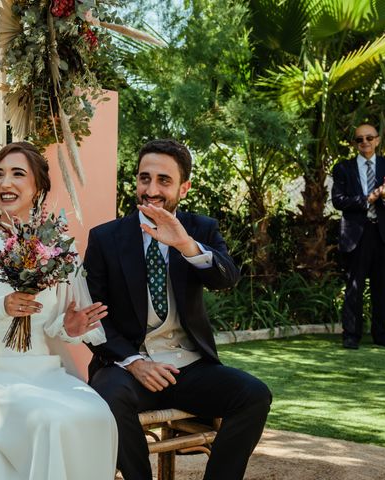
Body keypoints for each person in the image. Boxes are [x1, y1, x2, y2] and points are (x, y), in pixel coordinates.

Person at [84, 139, 272, 480]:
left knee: (254, 395)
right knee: (108, 396)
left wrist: (184, 244)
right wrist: (135, 362)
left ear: (183, 187)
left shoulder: (201, 229)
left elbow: (226, 278)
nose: (150, 190)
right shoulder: (105, 238)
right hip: (128, 369)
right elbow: (92, 319)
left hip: (189, 367)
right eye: (144, 178)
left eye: (163, 181)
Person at [0, 142, 118, 480]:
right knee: (46, 421)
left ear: (38, 187)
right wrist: (0, 308)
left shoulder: (58, 253)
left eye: (17, 174)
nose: (5, 183)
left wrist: (71, 326)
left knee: (97, 414)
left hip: (48, 374)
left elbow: (59, 325)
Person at [331, 124, 385, 349]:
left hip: (383, 234)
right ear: (354, 144)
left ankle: (381, 334)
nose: (365, 142)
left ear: (377, 140)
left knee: (381, 286)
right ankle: (351, 335)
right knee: (354, 286)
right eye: (360, 139)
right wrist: (367, 199)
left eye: (369, 138)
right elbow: (338, 200)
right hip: (356, 234)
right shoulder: (343, 168)